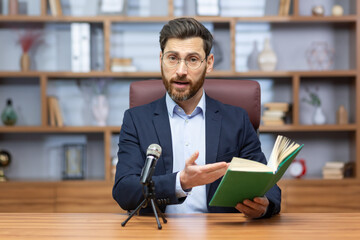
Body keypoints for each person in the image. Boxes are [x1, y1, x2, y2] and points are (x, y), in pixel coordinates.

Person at [112, 17, 280, 219]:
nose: (181, 71)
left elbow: (268, 186)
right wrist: (180, 182)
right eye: (172, 58)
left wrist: (265, 206)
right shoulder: (136, 120)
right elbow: (124, 191)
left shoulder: (237, 120)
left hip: (221, 232)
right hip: (158, 232)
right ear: (161, 60)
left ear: (208, 63)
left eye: (192, 59)